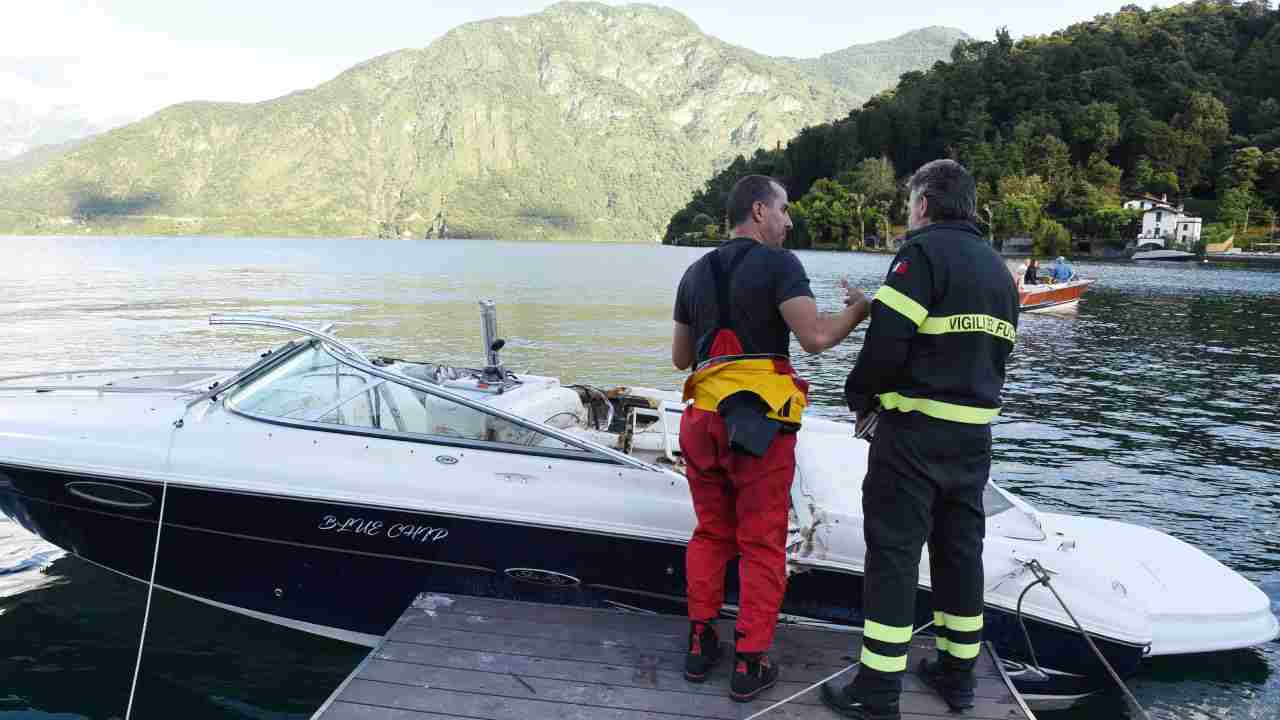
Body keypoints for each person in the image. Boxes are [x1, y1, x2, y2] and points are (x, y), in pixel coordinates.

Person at [823, 160, 1019, 720]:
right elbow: (991, 351)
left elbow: (887, 346)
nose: (909, 214)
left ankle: (878, 693)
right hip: (973, 439)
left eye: (911, 203)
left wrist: (860, 398)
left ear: (925, 204)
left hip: (912, 437)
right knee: (961, 555)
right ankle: (959, 676)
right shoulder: (999, 272)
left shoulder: (921, 255)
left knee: (894, 557)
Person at [672, 174, 871, 702]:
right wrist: (860, 309)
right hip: (759, 426)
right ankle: (749, 661)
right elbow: (816, 338)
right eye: (784, 210)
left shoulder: (695, 271)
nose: (789, 221)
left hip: (701, 420)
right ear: (759, 211)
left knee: (711, 533)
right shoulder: (781, 263)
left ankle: (698, 644)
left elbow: (678, 357)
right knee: (760, 543)